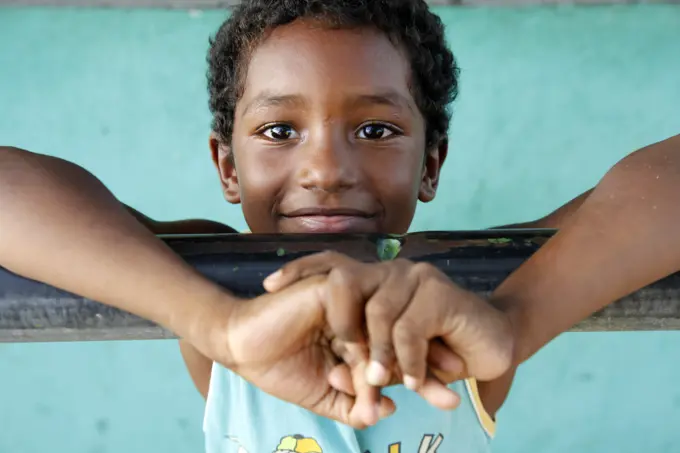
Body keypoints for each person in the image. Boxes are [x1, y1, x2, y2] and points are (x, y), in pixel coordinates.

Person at [0, 0, 679, 452]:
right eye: (278, 129)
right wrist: (217, 325)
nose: (325, 167)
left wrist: (512, 318)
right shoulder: (209, 281)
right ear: (227, 166)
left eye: (376, 128)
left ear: (430, 163)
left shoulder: (471, 299)